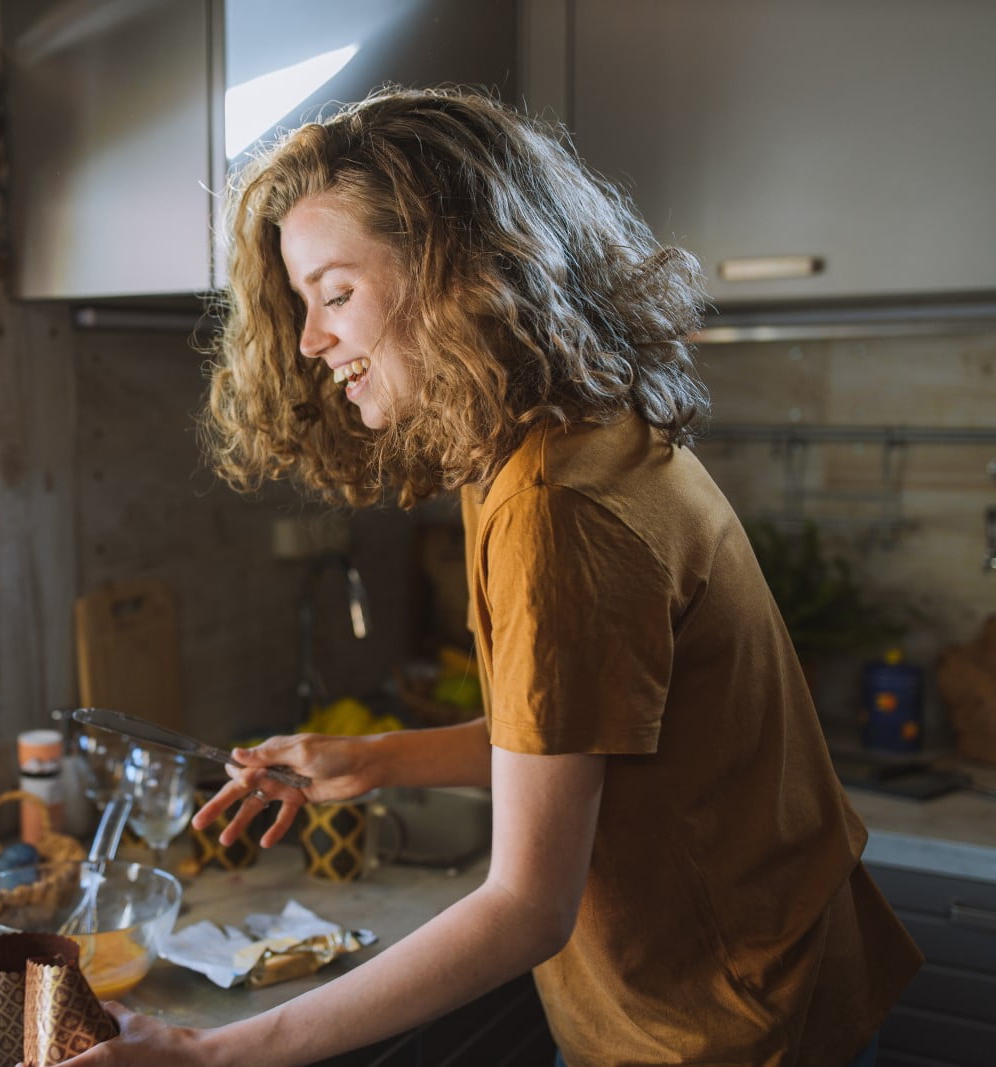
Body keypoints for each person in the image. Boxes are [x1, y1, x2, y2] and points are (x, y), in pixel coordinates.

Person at [64, 87, 921, 1067]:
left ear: (456, 266)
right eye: (303, 304)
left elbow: (524, 909)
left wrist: (211, 1052)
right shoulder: (554, 429)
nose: (310, 341)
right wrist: (378, 760)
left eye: (335, 293)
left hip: (714, 1020)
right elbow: (595, 727)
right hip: (756, 967)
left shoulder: (553, 506)